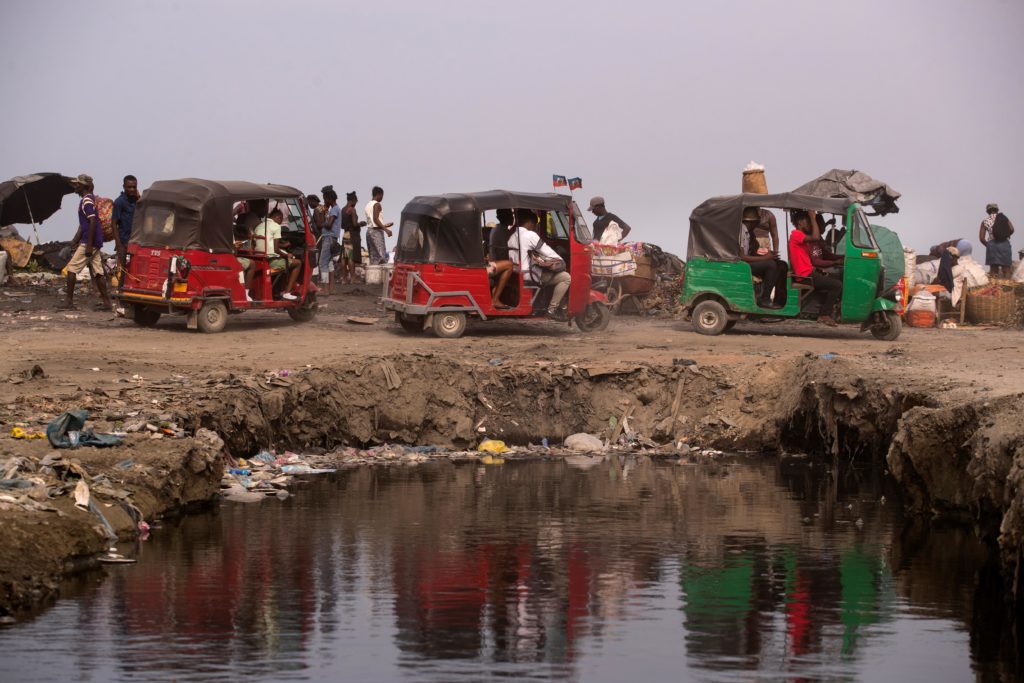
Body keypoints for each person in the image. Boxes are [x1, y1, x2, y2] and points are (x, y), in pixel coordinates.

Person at [508, 210, 572, 320]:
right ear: (529, 222)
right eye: (534, 224)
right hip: (529, 274)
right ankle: (552, 310)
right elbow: (546, 251)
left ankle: (542, 304)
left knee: (549, 273)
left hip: (516, 272)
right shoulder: (530, 235)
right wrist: (560, 260)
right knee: (566, 277)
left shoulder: (512, 236)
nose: (534, 226)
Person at [64, 174, 112, 311]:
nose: (75, 186)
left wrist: (88, 245)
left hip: (89, 242)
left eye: (77, 184)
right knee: (98, 272)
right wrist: (74, 241)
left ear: (84, 186)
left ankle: (68, 301)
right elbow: (84, 224)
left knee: (71, 269)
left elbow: (92, 222)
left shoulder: (86, 201)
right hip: (95, 240)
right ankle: (107, 303)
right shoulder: (90, 199)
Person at [789, 210, 841, 327]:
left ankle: (821, 310)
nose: (810, 224)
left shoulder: (802, 238)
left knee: (831, 279)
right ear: (800, 222)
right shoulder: (796, 234)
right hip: (805, 275)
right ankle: (824, 314)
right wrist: (813, 217)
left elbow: (807, 260)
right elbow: (816, 236)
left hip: (809, 272)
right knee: (837, 285)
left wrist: (817, 269)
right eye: (807, 221)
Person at [739, 207, 786, 308]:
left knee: (781, 265)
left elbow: (752, 253)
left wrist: (768, 256)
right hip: (741, 264)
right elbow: (742, 257)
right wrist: (765, 258)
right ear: (752, 222)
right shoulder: (741, 232)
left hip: (747, 262)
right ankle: (764, 299)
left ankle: (779, 300)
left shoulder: (749, 233)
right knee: (771, 265)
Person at [253, 207, 302, 300]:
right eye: (281, 219)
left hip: (259, 258)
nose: (281, 222)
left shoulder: (259, 226)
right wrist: (286, 255)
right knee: (297, 263)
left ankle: (279, 290)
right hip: (270, 261)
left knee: (286, 260)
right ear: (277, 217)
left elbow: (268, 243)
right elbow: (275, 249)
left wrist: (283, 247)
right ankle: (287, 292)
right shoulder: (276, 226)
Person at [487, 208, 515, 308]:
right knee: (510, 265)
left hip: (493, 262)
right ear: (504, 217)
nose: (512, 217)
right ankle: (495, 299)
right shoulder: (501, 230)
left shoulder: (499, 228)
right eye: (511, 215)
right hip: (492, 264)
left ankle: (495, 299)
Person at [979, 203, 1015, 278]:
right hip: (1005, 243)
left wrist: (988, 245)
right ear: (997, 210)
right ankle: (1007, 287)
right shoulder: (1004, 218)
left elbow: (982, 238)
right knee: (1006, 269)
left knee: (994, 270)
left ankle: (994, 289)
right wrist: (1005, 235)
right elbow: (1012, 229)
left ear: (988, 211)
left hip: (992, 245)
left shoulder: (985, 221)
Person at [111, 174, 139, 268]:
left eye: (134, 187)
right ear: (124, 187)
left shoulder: (138, 201)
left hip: (137, 241)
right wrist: (118, 244)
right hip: (124, 242)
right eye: (129, 187)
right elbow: (114, 224)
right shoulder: (119, 202)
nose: (132, 189)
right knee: (122, 271)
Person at [319, 189, 341, 294]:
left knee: (322, 263)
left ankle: (325, 289)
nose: (324, 202)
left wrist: (322, 224)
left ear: (329, 199)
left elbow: (329, 225)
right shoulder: (335, 209)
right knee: (329, 264)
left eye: (325, 199)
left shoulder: (334, 210)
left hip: (328, 237)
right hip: (332, 238)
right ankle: (331, 289)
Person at [341, 191, 365, 284]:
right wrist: (361, 223)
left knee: (344, 257)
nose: (356, 204)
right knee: (351, 257)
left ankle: (344, 279)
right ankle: (353, 278)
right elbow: (355, 224)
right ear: (353, 200)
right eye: (356, 201)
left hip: (345, 234)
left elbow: (342, 225)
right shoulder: (352, 210)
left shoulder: (342, 210)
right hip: (352, 235)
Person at [365, 186, 393, 265]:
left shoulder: (368, 205)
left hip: (369, 232)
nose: (382, 198)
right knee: (381, 257)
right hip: (376, 232)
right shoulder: (377, 204)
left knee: (373, 257)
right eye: (382, 196)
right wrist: (386, 230)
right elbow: (375, 219)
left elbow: (373, 221)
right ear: (379, 194)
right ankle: (381, 276)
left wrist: (385, 225)